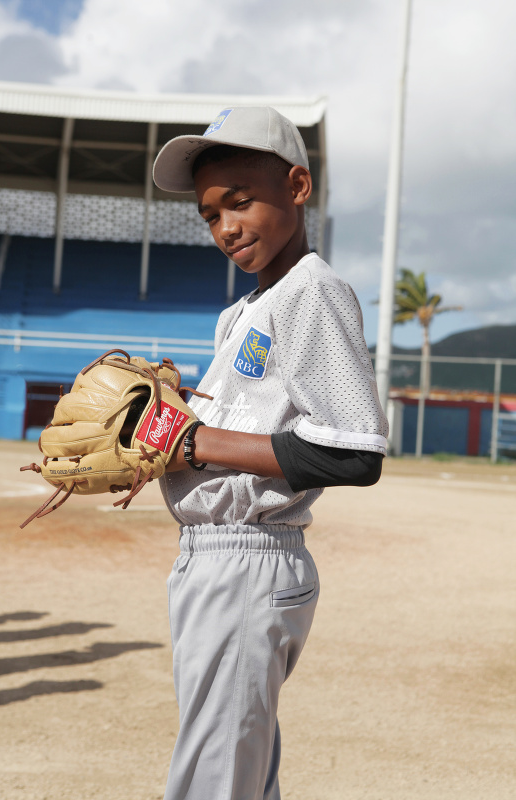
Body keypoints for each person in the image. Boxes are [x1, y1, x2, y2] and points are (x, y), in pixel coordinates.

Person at [152, 106, 388, 800]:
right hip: (215, 558)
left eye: (240, 201)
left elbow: (353, 452)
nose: (225, 227)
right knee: (238, 771)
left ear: (296, 186)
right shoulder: (241, 312)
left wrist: (191, 440)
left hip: (248, 560)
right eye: (208, 214)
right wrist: (162, 433)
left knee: (214, 777)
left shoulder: (312, 290)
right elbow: (244, 425)